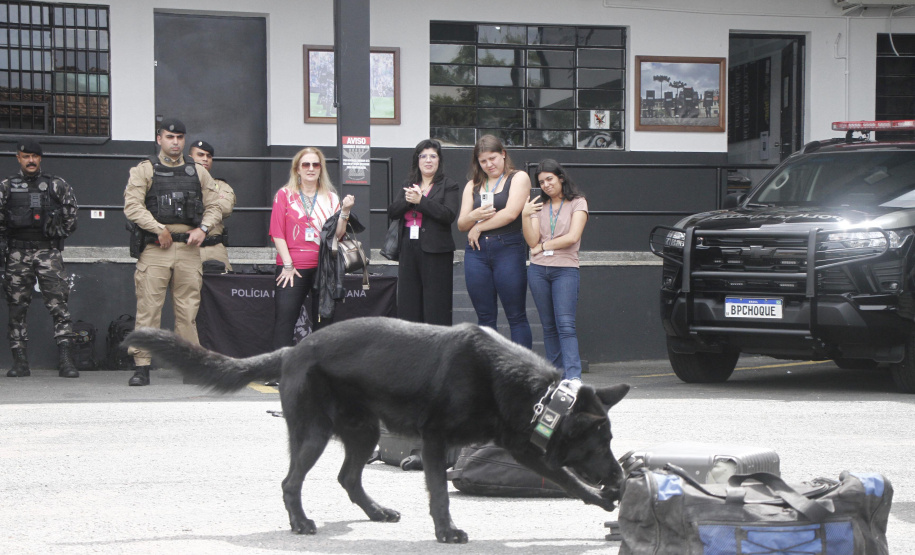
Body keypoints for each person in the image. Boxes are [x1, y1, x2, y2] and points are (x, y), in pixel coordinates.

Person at [123, 118, 222, 386]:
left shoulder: (197, 171)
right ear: (159, 139)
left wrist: (203, 229)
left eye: (179, 137)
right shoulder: (145, 170)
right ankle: (142, 366)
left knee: (187, 311)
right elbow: (132, 206)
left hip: (189, 248)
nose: (175, 142)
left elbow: (215, 205)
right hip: (156, 248)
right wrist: (157, 228)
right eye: (170, 137)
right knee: (149, 309)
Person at [0, 139, 80, 378]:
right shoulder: (6, 187)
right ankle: (20, 362)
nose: (31, 161)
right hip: (17, 253)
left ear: (40, 158)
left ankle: (66, 361)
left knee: (59, 306)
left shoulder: (56, 185)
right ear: (18, 158)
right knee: (16, 307)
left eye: (34, 156)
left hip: (48, 252)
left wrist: (56, 231)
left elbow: (72, 216)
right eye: (26, 156)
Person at [270, 147, 354, 349]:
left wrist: (345, 212)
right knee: (285, 321)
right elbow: (277, 232)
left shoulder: (331, 197)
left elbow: (338, 235)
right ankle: (280, 365)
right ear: (297, 169)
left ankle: (318, 366)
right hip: (292, 267)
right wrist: (288, 265)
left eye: (315, 164)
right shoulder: (284, 195)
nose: (310, 168)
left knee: (323, 322)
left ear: (321, 169)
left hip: (324, 266)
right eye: (305, 164)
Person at [457, 134, 532, 347]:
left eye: (493, 158)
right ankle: (489, 365)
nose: (489, 164)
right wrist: (473, 217)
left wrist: (478, 226)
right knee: (485, 317)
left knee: (516, 315)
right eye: (483, 161)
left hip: (508, 247)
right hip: (476, 252)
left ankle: (521, 365)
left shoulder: (518, 177)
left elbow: (511, 213)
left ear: (503, 154)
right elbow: (461, 224)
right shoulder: (472, 185)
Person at [522, 159, 589, 381]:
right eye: (541, 182)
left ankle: (573, 377)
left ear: (561, 178)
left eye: (550, 179)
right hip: (538, 270)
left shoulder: (578, 202)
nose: (546, 185)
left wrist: (543, 246)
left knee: (566, 325)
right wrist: (525, 215)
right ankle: (556, 377)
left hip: (565, 269)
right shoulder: (539, 205)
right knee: (549, 327)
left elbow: (573, 237)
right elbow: (532, 241)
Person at [387, 139, 460, 326]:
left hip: (436, 251)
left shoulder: (449, 185)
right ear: (417, 160)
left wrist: (421, 201)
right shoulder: (409, 184)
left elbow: (448, 215)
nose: (428, 160)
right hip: (408, 248)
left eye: (433, 156)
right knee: (408, 302)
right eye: (423, 156)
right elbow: (393, 212)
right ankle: (411, 341)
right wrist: (408, 200)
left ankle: (437, 341)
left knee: (437, 304)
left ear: (439, 160)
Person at [188, 140, 236, 272]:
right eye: (200, 155)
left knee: (222, 282)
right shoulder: (179, 183)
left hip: (214, 247)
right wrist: (212, 201)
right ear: (190, 158)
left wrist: (194, 203)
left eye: (209, 156)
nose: (205, 159)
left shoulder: (220, 185)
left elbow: (225, 208)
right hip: (187, 247)